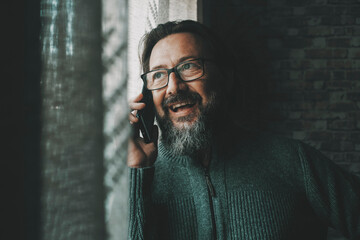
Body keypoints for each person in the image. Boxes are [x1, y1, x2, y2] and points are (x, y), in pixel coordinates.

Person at [127, 20, 360, 240]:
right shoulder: (137, 180)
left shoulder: (293, 161)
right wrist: (138, 172)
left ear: (226, 77)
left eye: (189, 66)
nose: (173, 86)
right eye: (158, 75)